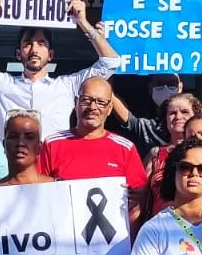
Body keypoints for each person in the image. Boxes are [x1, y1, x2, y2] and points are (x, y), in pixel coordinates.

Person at [0, 0, 120, 138]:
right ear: (18, 53)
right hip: (13, 169)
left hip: (54, 169)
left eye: (41, 43)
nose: (34, 50)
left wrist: (83, 22)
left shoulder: (67, 86)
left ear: (51, 54)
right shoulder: (0, 85)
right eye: (27, 44)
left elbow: (110, 62)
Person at [43, 76, 147, 226]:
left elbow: (139, 201)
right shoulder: (52, 144)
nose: (93, 107)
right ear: (76, 103)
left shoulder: (125, 148)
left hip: (113, 241)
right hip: (62, 235)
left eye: (101, 102)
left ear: (110, 108)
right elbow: (38, 193)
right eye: (86, 100)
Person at [115, 31, 202, 151]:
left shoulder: (201, 124)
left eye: (171, 84)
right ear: (150, 88)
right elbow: (109, 98)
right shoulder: (147, 129)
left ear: (180, 87)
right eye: (172, 113)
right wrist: (103, 48)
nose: (178, 116)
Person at [0, 110, 55, 186]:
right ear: (4, 145)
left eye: (29, 137)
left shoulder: (61, 187)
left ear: (39, 147)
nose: (20, 143)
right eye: (13, 136)